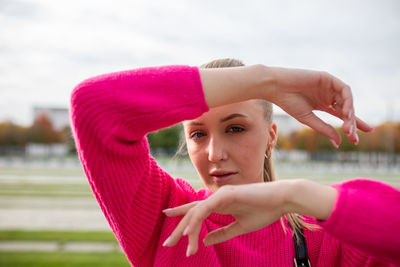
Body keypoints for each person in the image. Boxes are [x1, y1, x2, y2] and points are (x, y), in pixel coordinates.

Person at [70, 58, 400, 266]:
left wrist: (295, 196)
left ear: (271, 136)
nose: (215, 153)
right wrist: (267, 80)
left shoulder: (322, 236)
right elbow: (92, 107)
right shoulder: (166, 218)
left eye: (235, 128)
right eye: (198, 134)